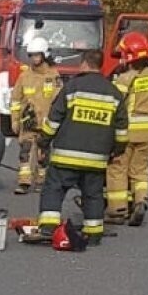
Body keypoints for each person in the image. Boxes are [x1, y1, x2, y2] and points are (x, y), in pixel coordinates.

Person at [36, 49, 128, 246]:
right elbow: (121, 130)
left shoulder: (73, 87)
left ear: (84, 64)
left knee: (54, 189)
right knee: (93, 195)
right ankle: (93, 233)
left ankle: (48, 228)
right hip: (96, 159)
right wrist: (116, 151)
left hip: (65, 158)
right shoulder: (114, 94)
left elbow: (54, 120)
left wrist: (43, 142)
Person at [105, 32, 148, 226]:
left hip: (127, 131)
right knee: (140, 171)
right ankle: (140, 201)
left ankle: (118, 210)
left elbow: (114, 104)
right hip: (147, 130)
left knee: (118, 168)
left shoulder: (124, 79)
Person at [10, 37, 62, 194]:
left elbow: (59, 100)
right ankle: (24, 182)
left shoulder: (53, 75)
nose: (34, 59)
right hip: (28, 122)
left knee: (43, 155)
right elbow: (16, 99)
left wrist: (56, 120)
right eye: (31, 55)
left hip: (46, 123)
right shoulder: (24, 76)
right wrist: (15, 120)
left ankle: (41, 181)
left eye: (37, 55)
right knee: (25, 151)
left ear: (44, 55)